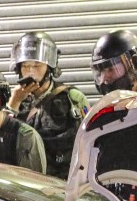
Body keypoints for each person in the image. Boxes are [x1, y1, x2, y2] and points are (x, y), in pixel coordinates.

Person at [7, 31, 89, 178]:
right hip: (22, 182)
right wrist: (13, 103)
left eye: (37, 65)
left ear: (49, 67)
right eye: (25, 65)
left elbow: (89, 142)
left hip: (61, 183)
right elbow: (0, 142)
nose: (30, 71)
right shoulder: (12, 99)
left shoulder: (72, 98)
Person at [90, 29, 137, 97]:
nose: (104, 78)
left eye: (111, 69)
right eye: (100, 71)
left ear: (135, 62)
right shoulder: (106, 106)